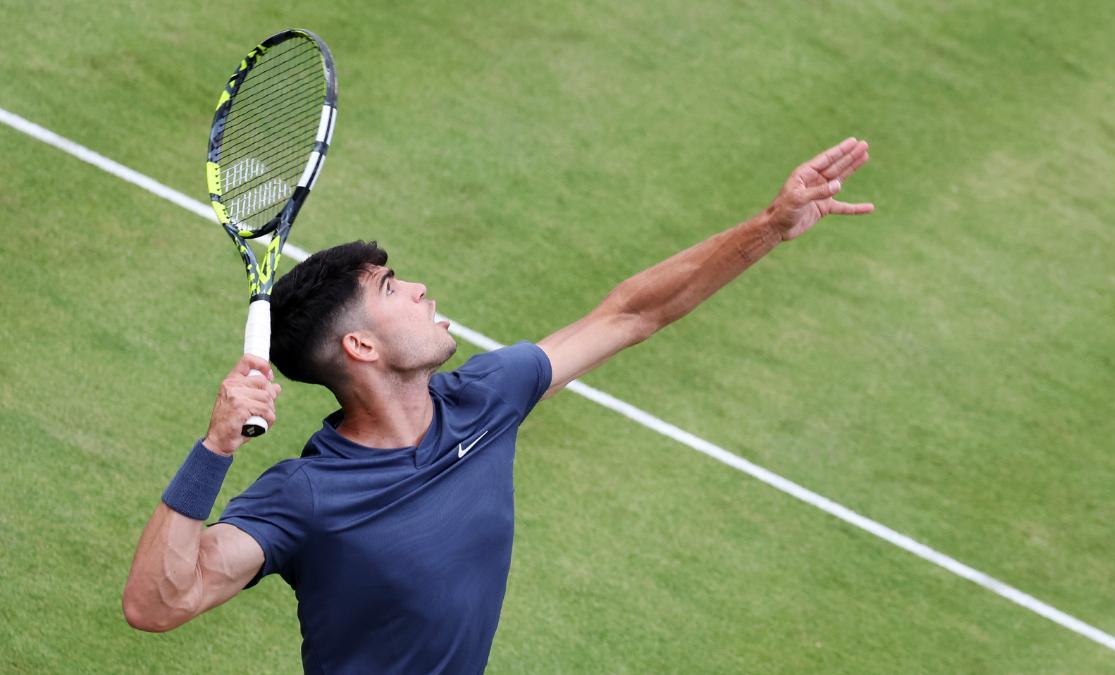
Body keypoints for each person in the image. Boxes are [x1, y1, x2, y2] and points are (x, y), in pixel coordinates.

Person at [122, 137, 872, 673]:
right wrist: (215, 448)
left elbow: (631, 313)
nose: (419, 288)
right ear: (361, 347)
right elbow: (157, 603)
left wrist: (770, 227)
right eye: (392, 289)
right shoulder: (307, 495)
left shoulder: (484, 398)